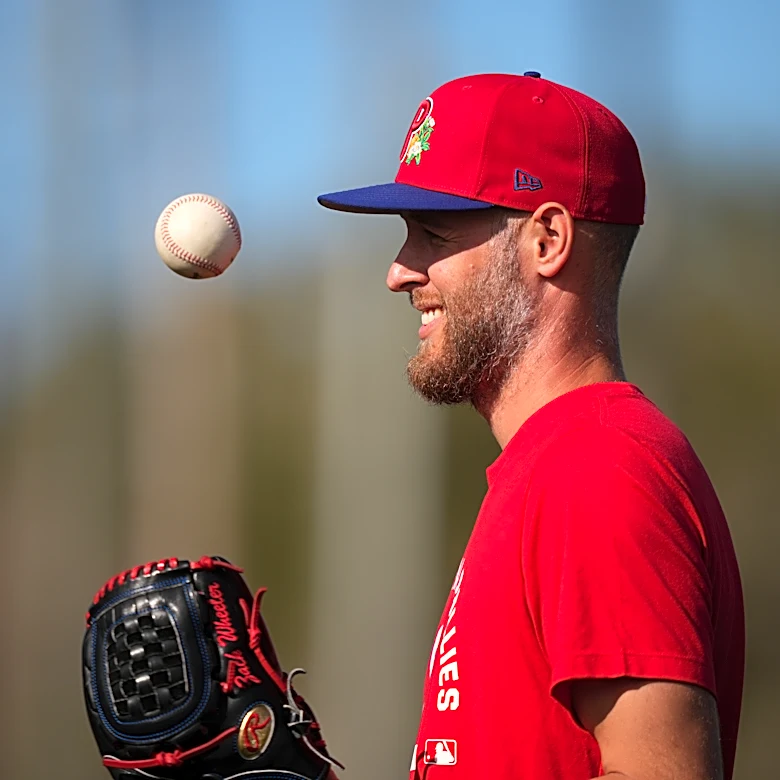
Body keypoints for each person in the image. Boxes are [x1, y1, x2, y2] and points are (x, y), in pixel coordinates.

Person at [317, 72, 744, 780]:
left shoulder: (597, 468)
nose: (398, 271)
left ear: (548, 239)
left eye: (431, 233)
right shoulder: (551, 467)